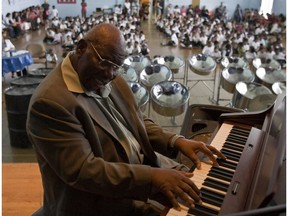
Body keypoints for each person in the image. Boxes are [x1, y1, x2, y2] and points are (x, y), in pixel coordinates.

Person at [26, 23, 225, 216]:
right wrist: (153, 179)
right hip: (100, 201)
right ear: (81, 48)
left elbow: (137, 121)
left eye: (116, 67)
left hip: (142, 172)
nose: (111, 74)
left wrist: (175, 140)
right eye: (105, 63)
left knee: (213, 197)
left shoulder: (111, 77)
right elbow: (85, 171)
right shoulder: (50, 103)